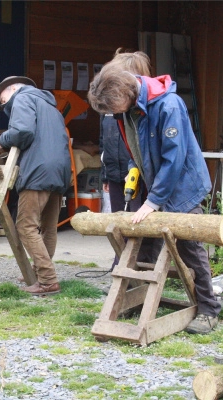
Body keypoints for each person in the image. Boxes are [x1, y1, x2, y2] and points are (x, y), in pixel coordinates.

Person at [88, 63, 221, 334]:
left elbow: (174, 159)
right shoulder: (128, 110)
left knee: (189, 247)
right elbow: (137, 147)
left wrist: (153, 201)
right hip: (156, 181)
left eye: (114, 108)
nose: (113, 114)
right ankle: (141, 298)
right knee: (143, 241)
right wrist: (133, 169)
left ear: (126, 92)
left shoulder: (169, 106)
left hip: (184, 186)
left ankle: (209, 310)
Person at [0, 76, 71, 296]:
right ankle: (39, 272)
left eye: (3, 99)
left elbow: (23, 131)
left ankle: (47, 280)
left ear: (14, 88)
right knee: (48, 226)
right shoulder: (51, 106)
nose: (4, 105)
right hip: (60, 170)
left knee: (25, 226)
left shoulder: (23, 99)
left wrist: (2, 140)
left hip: (38, 170)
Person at [99, 50, 162, 269]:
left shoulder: (146, 106)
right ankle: (121, 262)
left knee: (139, 222)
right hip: (115, 172)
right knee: (119, 220)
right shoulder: (110, 105)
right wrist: (104, 175)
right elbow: (103, 143)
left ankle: (138, 265)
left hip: (136, 174)